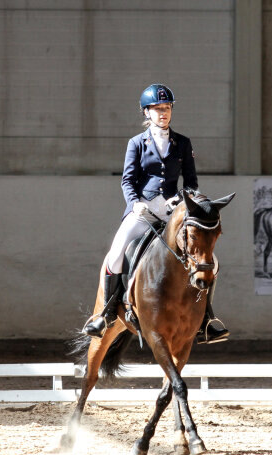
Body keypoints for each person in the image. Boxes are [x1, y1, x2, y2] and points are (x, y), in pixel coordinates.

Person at [82, 84, 229, 344]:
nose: (164, 113)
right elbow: (127, 180)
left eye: (167, 108)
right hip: (143, 211)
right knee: (115, 255)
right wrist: (135, 202)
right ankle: (105, 314)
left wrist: (183, 201)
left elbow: (191, 182)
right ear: (146, 112)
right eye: (158, 109)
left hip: (172, 213)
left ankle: (207, 319)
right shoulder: (136, 143)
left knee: (211, 262)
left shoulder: (182, 143)